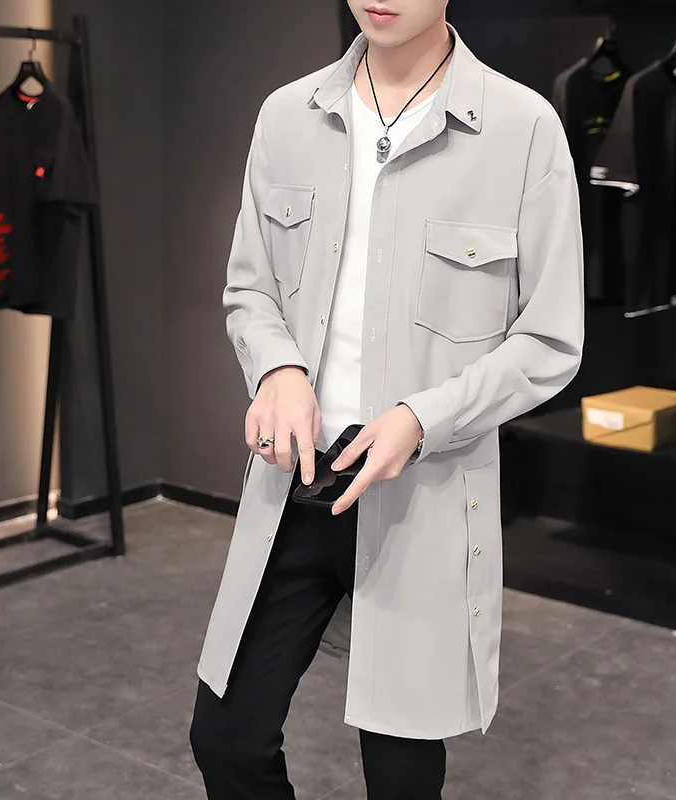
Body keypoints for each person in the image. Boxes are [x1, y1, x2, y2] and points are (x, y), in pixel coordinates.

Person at [189, 1, 584, 798]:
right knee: (226, 738)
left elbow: (548, 341)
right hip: (295, 483)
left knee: (401, 770)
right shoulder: (287, 116)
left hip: (421, 495)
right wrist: (276, 370)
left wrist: (422, 418)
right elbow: (251, 288)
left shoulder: (522, 129)